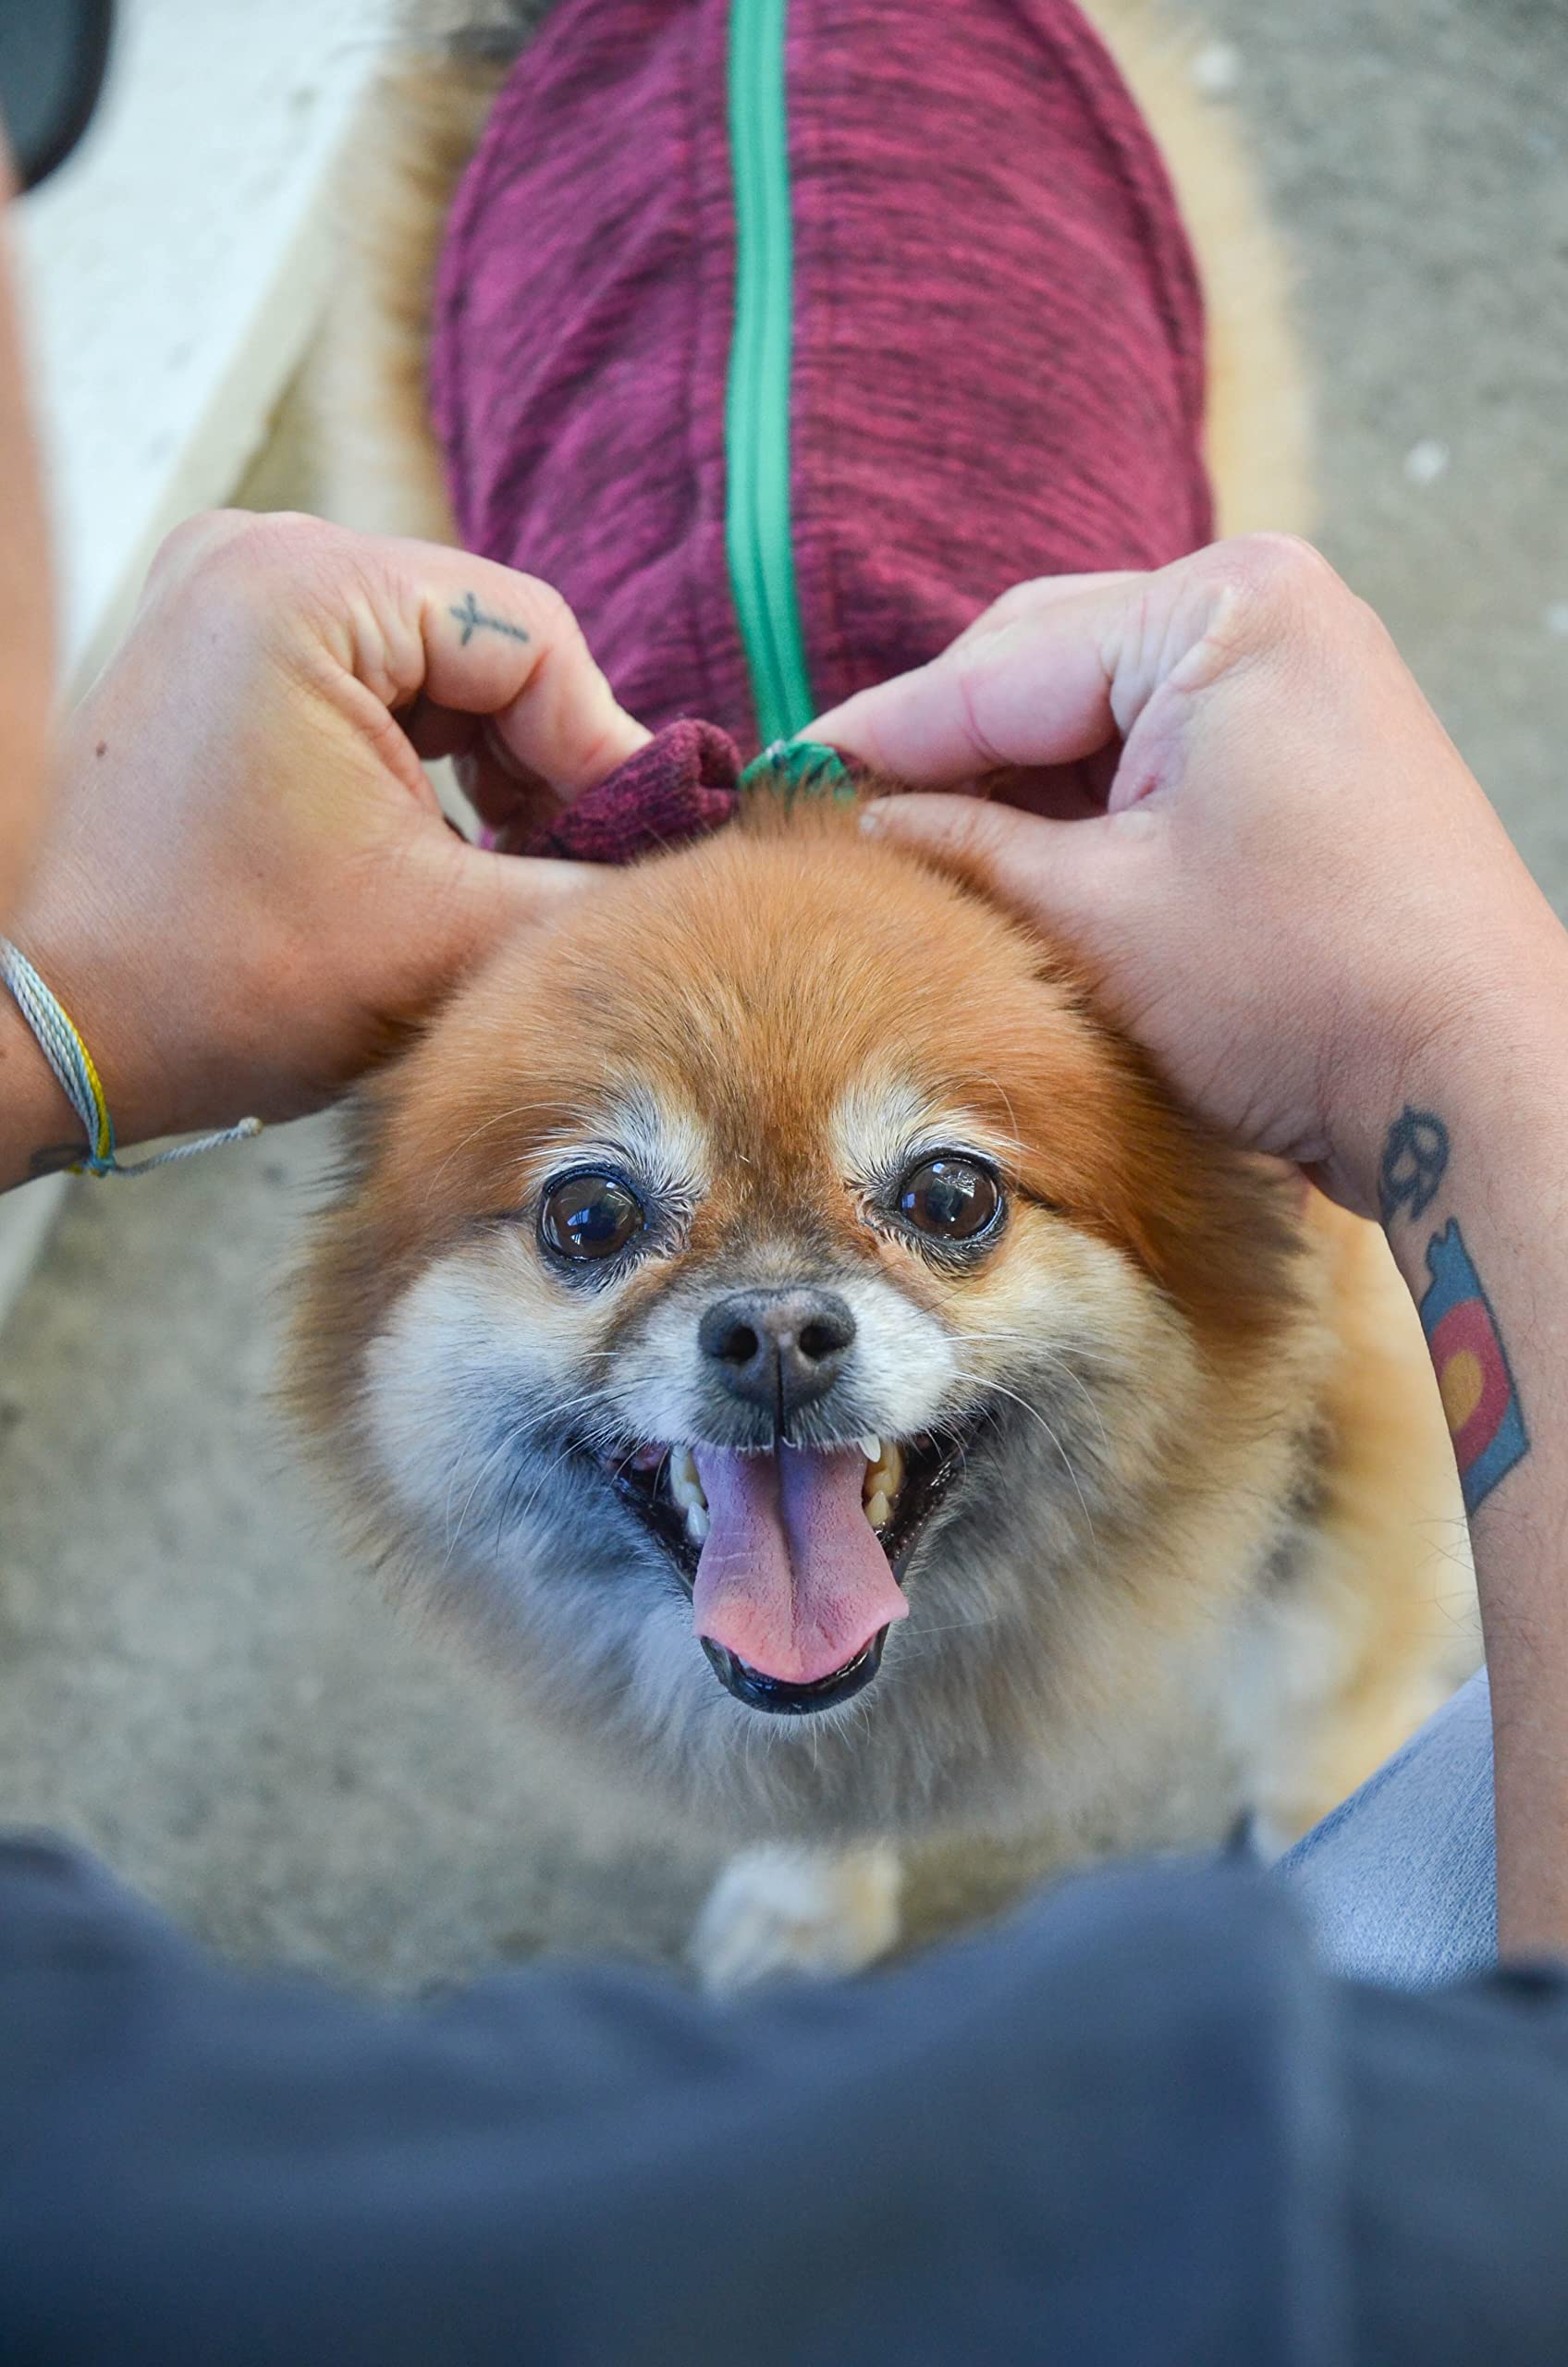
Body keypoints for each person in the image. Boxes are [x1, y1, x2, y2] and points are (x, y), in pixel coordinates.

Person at [3, 19, 1568, 2367]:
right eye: (590, 1221)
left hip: (929, 137)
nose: (774, 1317)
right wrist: (1467, 1033)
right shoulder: (1304, 2214)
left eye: (940, 1202)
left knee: (1338, 1597)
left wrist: (43, 1019)